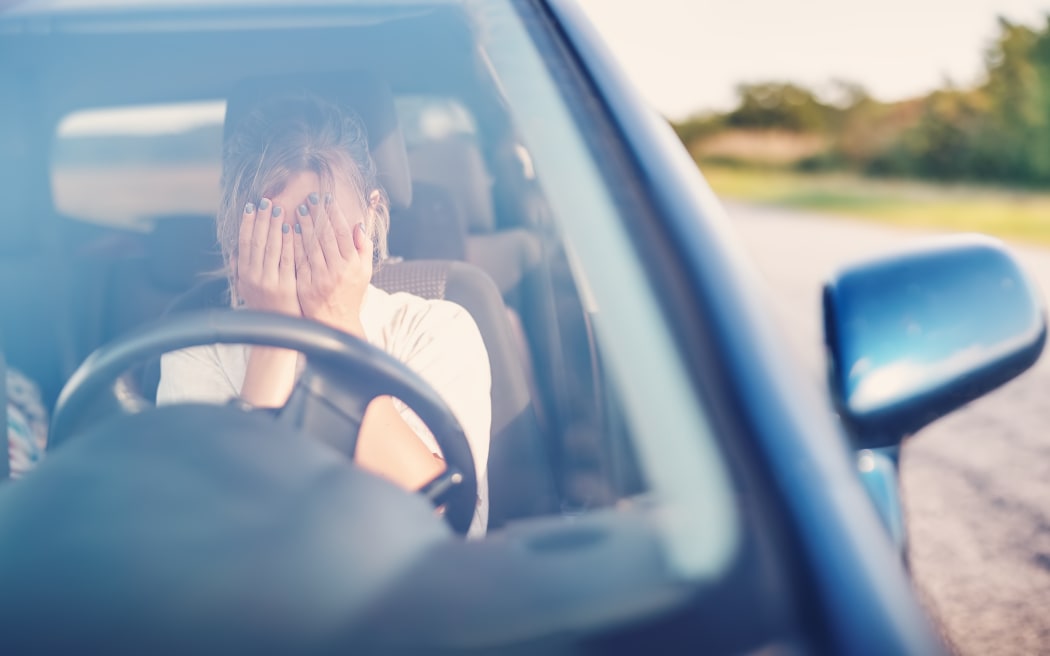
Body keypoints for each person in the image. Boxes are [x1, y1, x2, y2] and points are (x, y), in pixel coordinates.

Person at [157, 94, 491, 536]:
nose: (300, 251)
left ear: (371, 218)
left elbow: (443, 518)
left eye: (321, 226)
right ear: (239, 234)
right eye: (276, 227)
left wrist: (336, 322)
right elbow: (214, 531)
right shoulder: (199, 347)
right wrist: (273, 339)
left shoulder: (436, 329)